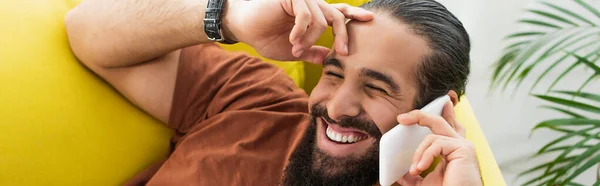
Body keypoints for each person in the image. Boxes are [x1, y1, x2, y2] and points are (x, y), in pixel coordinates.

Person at [65, 0, 482, 185]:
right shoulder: (255, 99)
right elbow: (85, 32)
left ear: (438, 111)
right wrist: (229, 18)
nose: (335, 107)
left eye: (375, 88)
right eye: (334, 74)